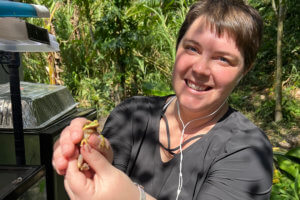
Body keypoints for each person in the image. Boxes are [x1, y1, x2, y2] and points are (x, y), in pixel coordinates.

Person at [52, 0, 273, 199]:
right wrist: (90, 155)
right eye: (192, 48)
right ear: (177, 48)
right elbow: (106, 173)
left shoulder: (248, 149)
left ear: (245, 70)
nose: (200, 69)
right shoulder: (131, 114)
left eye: (223, 59)